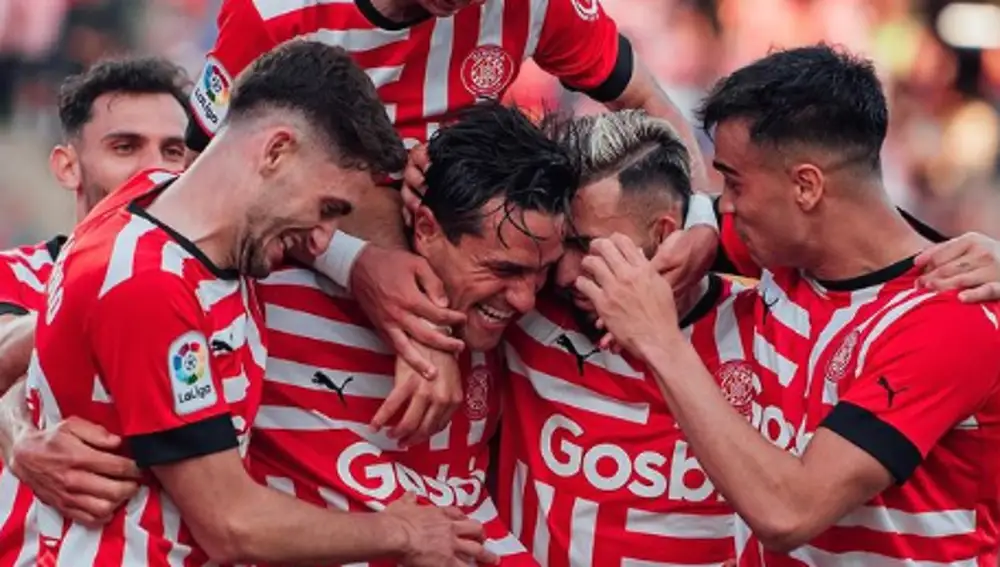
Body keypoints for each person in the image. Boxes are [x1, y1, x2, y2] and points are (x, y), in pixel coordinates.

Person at [17, 39, 492, 567]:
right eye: (329, 208)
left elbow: (54, 338)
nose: (323, 236)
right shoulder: (151, 287)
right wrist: (405, 533)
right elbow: (231, 524)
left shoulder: (157, 198)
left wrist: (20, 427)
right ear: (275, 152)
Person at [577, 45, 1000, 565]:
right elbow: (692, 225)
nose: (722, 204)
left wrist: (658, 338)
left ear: (806, 186)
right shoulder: (786, 254)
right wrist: (703, 233)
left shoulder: (946, 320)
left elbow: (788, 512)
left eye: (733, 181)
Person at [183, 0, 722, 386]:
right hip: (296, 319)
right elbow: (199, 190)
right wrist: (356, 262)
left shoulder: (538, 7)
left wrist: (701, 218)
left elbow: (650, 101)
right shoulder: (271, 13)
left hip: (468, 312)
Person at [252, 101, 574, 565]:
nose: (525, 299)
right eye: (504, 269)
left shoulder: (527, 331)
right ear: (426, 228)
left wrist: (703, 222)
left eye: (541, 272)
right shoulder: (269, 297)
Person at [495, 110, 750, 565]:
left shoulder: (761, 332)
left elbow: (859, 233)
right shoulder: (524, 310)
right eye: (564, 243)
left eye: (590, 248)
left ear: (666, 234)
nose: (568, 272)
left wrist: (709, 222)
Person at [0, 57, 190, 564]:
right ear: (67, 166)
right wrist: (19, 433)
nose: (155, 169)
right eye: (125, 147)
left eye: (173, 151)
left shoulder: (219, 293)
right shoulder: (15, 274)